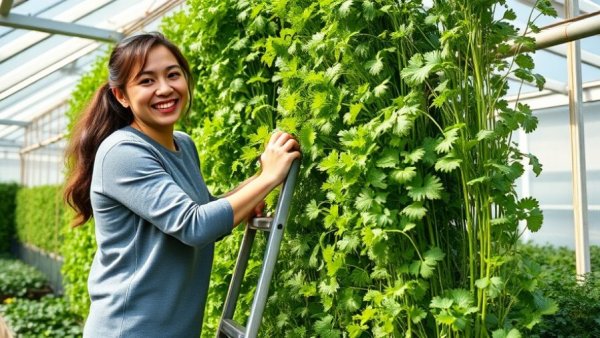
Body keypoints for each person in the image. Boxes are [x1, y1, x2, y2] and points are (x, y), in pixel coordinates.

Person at [63, 32, 300, 338]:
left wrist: (254, 188)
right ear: (121, 95)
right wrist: (268, 177)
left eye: (173, 75)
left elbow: (200, 212)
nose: (165, 89)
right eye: (146, 81)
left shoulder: (183, 146)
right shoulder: (123, 151)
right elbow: (194, 226)